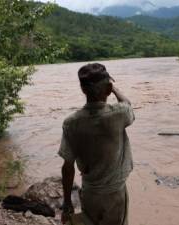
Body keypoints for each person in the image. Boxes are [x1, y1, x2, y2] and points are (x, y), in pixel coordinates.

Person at [59, 63, 135, 225]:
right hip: (115, 193)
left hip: (90, 192)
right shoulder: (119, 114)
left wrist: (67, 203)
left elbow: (67, 167)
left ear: (82, 89)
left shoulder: (71, 123)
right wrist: (114, 89)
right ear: (107, 89)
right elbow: (128, 104)